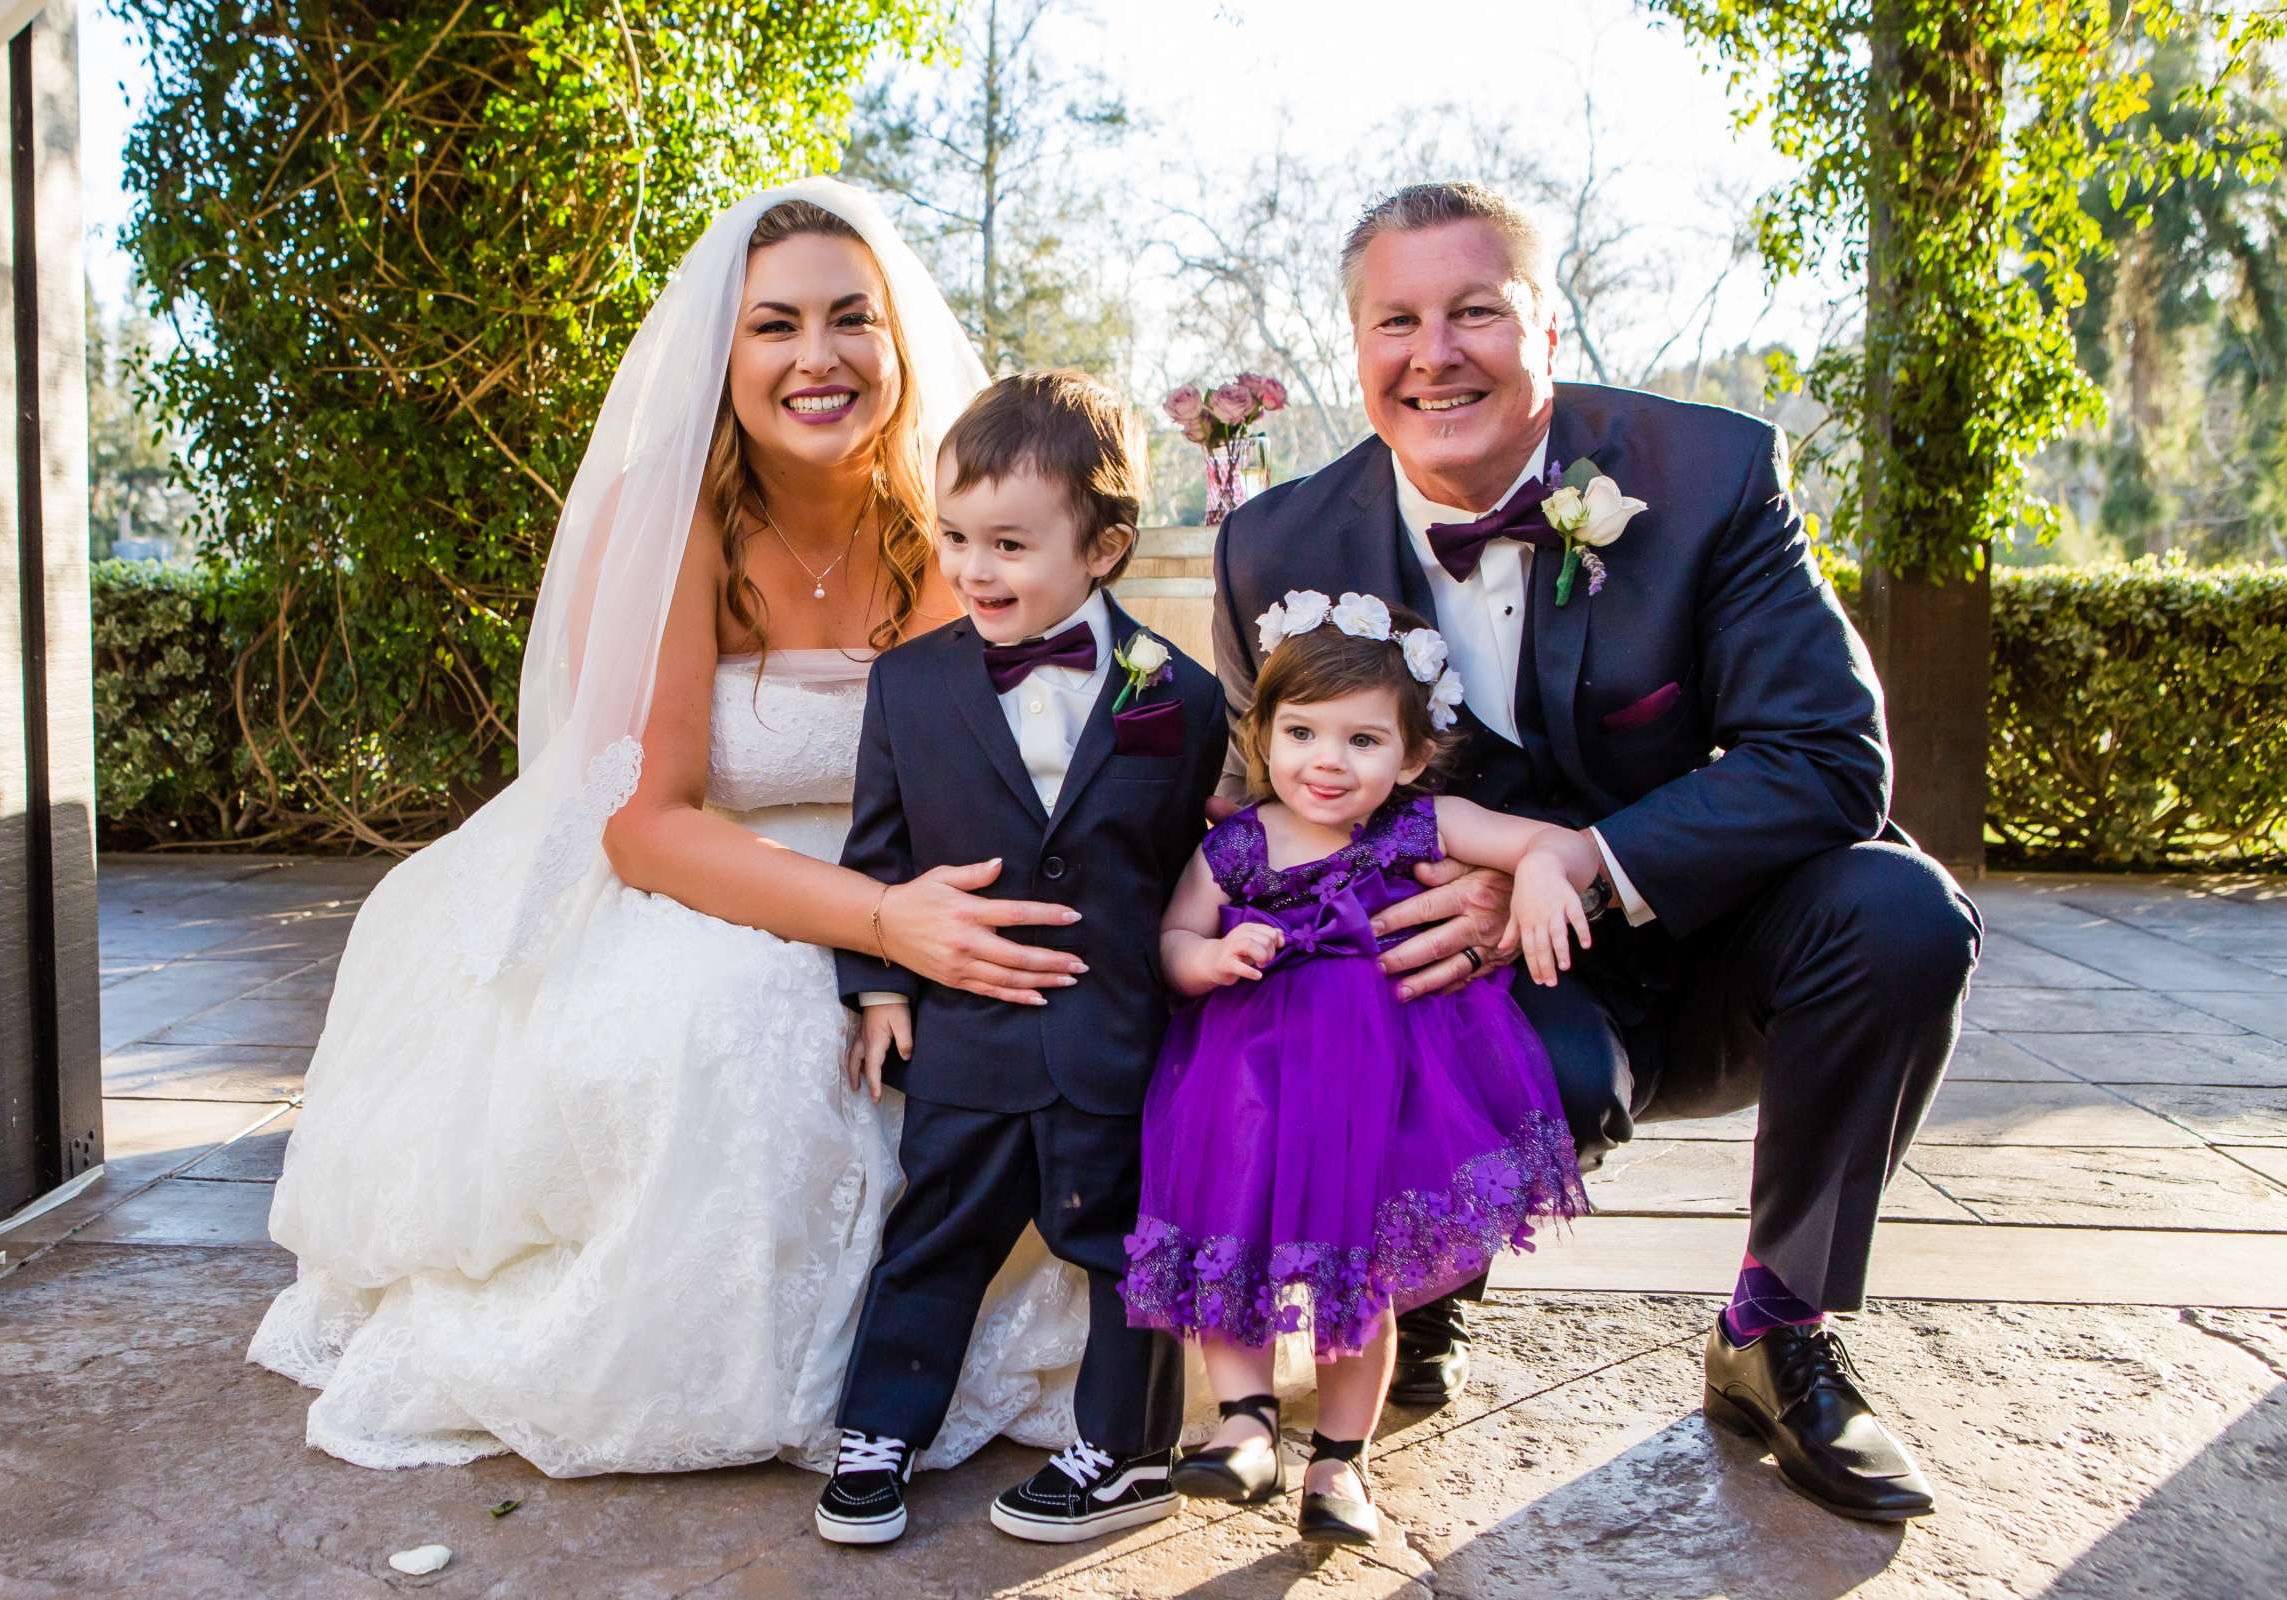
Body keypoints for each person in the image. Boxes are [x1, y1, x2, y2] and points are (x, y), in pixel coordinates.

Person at [251, 180, 1096, 1477]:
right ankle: (747, 1369)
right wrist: (880, 928)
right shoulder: (676, 519)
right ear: (727, 352)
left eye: (849, 318)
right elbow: (644, 822)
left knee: (1040, 999)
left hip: (897, 854)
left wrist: (923, 941)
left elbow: (975, 773)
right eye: (776, 326)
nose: (818, 357)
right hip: (681, 861)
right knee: (736, 1030)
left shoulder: (948, 511)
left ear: (895, 340)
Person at [1209, 181, 1982, 1522]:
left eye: (1475, 312)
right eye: (1396, 320)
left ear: (1548, 330)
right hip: (1468, 985)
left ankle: (1777, 1328)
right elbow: (1252, 812)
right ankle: (1419, 1284)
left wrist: (1572, 864)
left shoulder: (1712, 474)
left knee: (1902, 913)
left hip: (1717, 943)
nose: (1434, 351)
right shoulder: (1276, 544)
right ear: (1356, 346)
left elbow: (1831, 758)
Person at [815, 372, 1232, 1546]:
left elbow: (1183, 856)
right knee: (937, 1231)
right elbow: (878, 852)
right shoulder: (909, 684)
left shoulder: (1179, 695)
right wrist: (884, 981)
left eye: (1009, 543)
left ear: (1102, 547)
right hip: (969, 1027)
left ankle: (1126, 1449)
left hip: (1114, 1034)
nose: (974, 569)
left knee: (1125, 1242)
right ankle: (878, 1430)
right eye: (955, 537)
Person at [1124, 592, 1591, 1547]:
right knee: (1231, 1245)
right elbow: (1173, 936)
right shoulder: (1238, 845)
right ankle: (1247, 1419)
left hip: (1382, 1092)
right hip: (1245, 1092)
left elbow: (1546, 842)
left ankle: (1341, 1455)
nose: (1327, 762)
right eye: (1301, 733)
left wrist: (1542, 870)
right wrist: (1209, 959)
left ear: (1412, 756)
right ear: (1262, 735)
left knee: (1361, 1275)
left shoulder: (1419, 826)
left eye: (1363, 741)